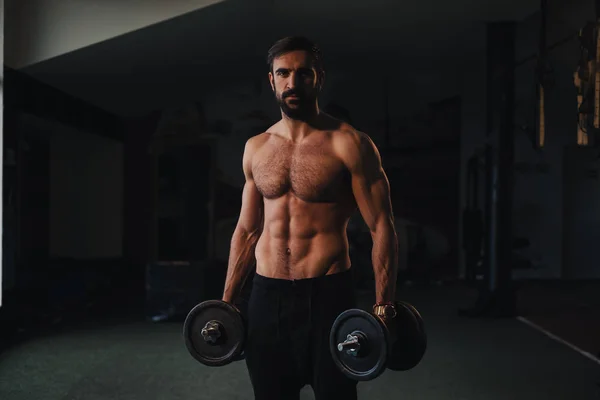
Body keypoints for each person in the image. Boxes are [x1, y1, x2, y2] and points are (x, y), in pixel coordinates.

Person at [221, 36, 399, 400]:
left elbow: (382, 227)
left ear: (319, 77)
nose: (292, 83)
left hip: (328, 294)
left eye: (303, 73)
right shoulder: (256, 148)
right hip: (266, 297)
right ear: (271, 80)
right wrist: (226, 303)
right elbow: (247, 229)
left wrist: (384, 305)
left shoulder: (349, 144)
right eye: (283, 73)